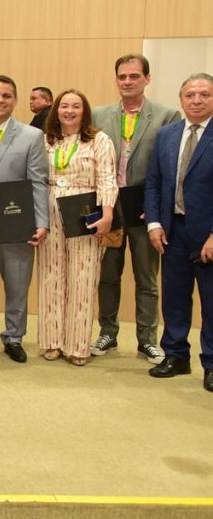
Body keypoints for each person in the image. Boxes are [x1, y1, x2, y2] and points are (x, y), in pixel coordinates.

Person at [92, 54, 179, 364]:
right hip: (109, 208)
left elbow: (170, 168)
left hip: (144, 208)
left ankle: (147, 340)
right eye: (122, 76)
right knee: (108, 275)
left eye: (134, 76)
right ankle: (108, 333)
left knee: (146, 278)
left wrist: (158, 209)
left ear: (147, 79)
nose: (127, 81)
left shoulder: (167, 116)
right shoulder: (98, 115)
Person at [0, 75, 49, 363]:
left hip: (16, 220)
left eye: (6, 96)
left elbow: (38, 181)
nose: (0, 100)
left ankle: (14, 337)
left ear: (15, 100)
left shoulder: (31, 136)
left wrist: (42, 222)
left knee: (17, 283)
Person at [37, 89, 117, 366]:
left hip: (85, 211)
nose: (69, 111)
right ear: (56, 110)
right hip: (50, 210)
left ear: (85, 111)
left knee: (83, 276)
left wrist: (107, 214)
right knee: (50, 275)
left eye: (76, 106)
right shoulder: (46, 140)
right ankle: (51, 341)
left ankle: (77, 345)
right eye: (64, 106)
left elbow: (108, 178)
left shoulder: (99, 140)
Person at [145, 73, 213, 393]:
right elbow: (154, 183)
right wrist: (154, 223)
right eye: (190, 95)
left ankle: (211, 363)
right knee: (173, 297)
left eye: (204, 94)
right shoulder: (167, 135)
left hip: (208, 234)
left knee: (211, 302)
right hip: (172, 230)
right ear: (181, 99)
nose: (196, 100)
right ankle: (175, 355)